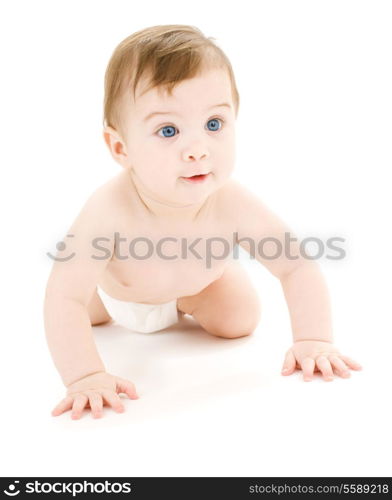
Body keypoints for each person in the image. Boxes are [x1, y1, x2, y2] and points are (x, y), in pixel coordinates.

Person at [44, 24, 361, 420]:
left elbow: (294, 263)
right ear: (120, 147)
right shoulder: (109, 209)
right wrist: (85, 376)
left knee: (240, 320)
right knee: (80, 307)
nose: (197, 150)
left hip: (196, 286)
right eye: (168, 130)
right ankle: (101, 304)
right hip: (119, 295)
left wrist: (314, 339)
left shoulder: (229, 199)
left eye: (214, 125)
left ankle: (189, 301)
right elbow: (63, 297)